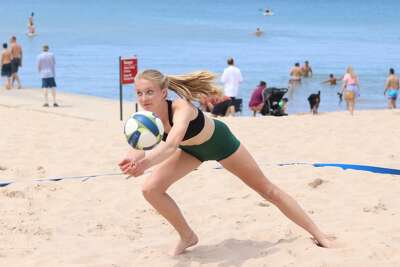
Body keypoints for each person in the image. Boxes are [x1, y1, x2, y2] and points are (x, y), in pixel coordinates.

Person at [118, 69, 336, 256]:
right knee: (150, 189)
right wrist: (131, 159)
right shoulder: (145, 117)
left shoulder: (180, 107)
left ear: (162, 92)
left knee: (268, 191)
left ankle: (319, 235)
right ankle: (188, 236)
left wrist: (145, 164)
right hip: (191, 151)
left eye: (149, 92)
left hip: (220, 143)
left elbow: (172, 143)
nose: (144, 98)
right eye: (139, 93)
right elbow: (140, 143)